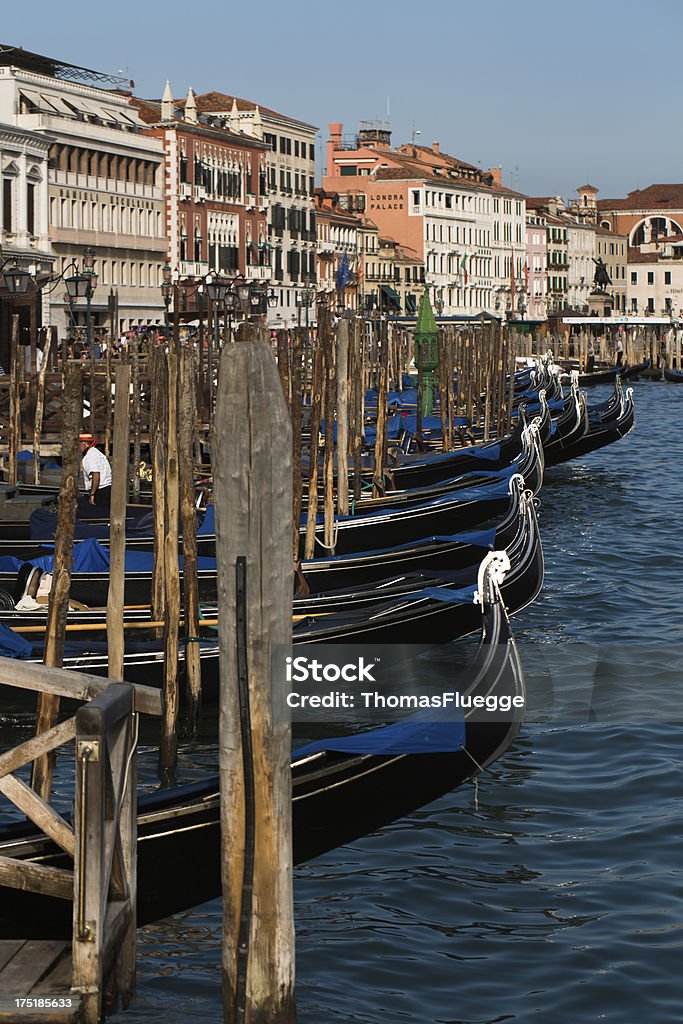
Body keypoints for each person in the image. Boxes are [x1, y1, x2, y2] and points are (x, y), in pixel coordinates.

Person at [79, 434, 112, 507]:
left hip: (100, 491)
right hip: (108, 488)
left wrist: (92, 493)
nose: (78, 448)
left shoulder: (89, 457)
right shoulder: (97, 453)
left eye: (79, 444)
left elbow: (96, 474)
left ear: (85, 444)